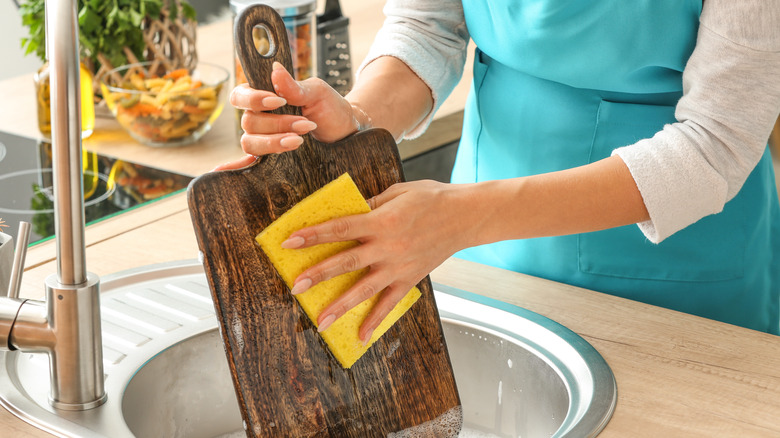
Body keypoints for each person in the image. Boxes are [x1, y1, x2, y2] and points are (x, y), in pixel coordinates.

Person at [219, 0, 780, 343]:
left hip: (679, 273)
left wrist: (465, 216)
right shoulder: (451, 225)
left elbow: (716, 144)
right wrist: (358, 119)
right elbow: (429, 25)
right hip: (477, 250)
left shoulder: (457, 218)